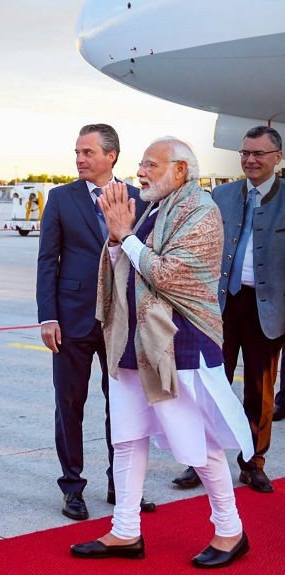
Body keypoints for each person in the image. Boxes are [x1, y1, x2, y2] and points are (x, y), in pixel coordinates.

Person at [71, 137, 253, 568]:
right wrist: (118, 243)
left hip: (180, 344)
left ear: (180, 170)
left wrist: (124, 237)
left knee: (197, 442)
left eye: (151, 164)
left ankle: (231, 530)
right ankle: (125, 530)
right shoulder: (157, 207)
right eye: (141, 163)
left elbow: (169, 274)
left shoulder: (201, 212)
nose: (140, 172)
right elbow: (126, 263)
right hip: (136, 342)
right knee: (129, 437)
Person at [36, 124, 153, 520]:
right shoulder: (61, 198)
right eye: (77, 152)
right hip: (71, 318)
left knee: (123, 405)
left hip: (123, 319)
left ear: (111, 156)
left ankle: (121, 483)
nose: (80, 159)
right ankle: (72, 486)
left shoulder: (139, 199)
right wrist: (47, 316)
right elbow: (47, 260)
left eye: (87, 152)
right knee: (69, 403)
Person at [173, 126, 285, 493]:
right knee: (208, 386)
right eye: (245, 153)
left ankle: (253, 462)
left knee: (259, 391)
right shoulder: (220, 196)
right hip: (218, 305)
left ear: (277, 159)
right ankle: (200, 459)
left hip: (266, 308)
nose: (250, 160)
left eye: (259, 154)